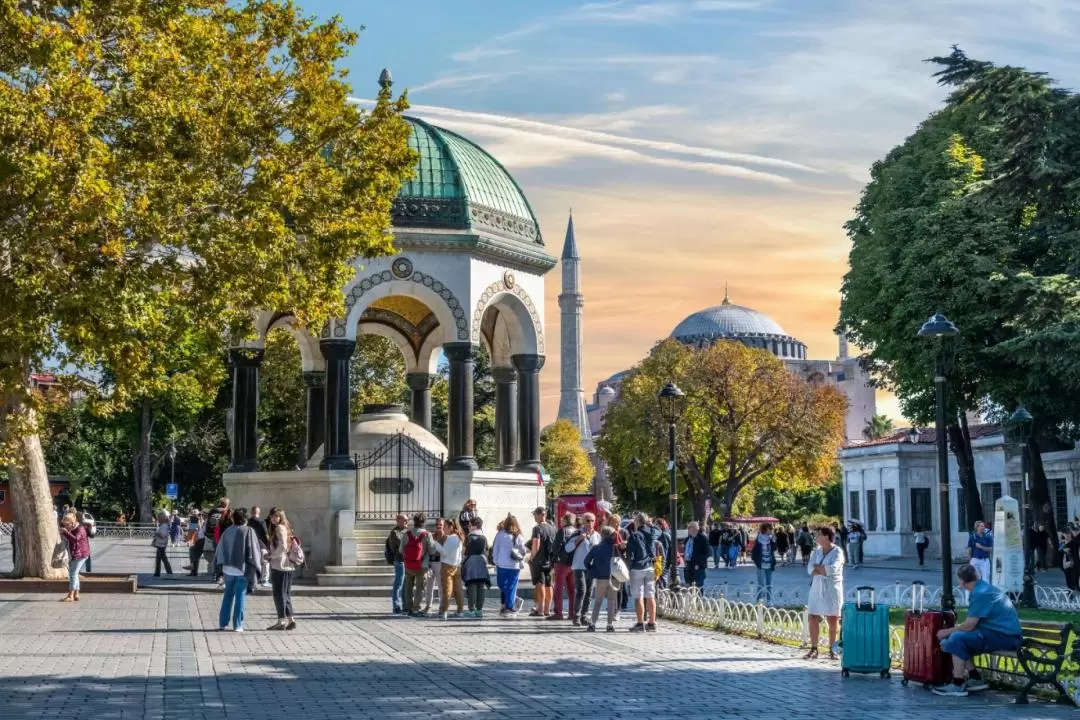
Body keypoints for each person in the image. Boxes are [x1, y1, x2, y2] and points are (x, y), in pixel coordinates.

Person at [932, 563, 1023, 696]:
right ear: (977, 575)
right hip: (999, 634)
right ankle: (976, 679)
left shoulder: (981, 593)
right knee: (953, 640)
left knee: (956, 638)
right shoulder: (982, 588)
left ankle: (957, 685)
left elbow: (969, 625)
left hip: (1006, 637)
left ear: (962, 582)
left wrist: (946, 631)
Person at [214, 507, 262, 632]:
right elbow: (254, 550)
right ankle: (237, 625)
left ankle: (223, 624)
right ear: (245, 518)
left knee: (228, 595)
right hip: (242, 569)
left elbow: (220, 549)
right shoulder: (249, 531)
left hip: (227, 569)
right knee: (240, 596)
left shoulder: (227, 531)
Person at [804, 526, 844, 660]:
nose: (817, 537)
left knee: (833, 618)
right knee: (813, 617)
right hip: (816, 588)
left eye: (819, 534)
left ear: (826, 536)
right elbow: (810, 568)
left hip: (832, 589)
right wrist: (818, 569)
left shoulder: (837, 552)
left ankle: (833, 650)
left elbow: (832, 569)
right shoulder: (817, 552)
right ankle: (814, 648)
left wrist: (819, 569)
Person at [626, 512, 659, 632]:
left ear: (638, 522)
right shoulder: (653, 533)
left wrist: (627, 567)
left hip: (637, 567)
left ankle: (640, 623)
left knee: (638, 596)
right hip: (650, 566)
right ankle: (652, 623)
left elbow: (630, 555)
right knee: (650, 595)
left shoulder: (634, 536)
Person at [567, 512, 600, 626]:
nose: (590, 523)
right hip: (579, 566)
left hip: (591, 567)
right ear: (583, 521)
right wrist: (579, 539)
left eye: (592, 521)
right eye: (588, 520)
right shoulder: (577, 533)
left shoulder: (597, 535)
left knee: (589, 592)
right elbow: (567, 548)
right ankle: (576, 616)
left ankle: (584, 616)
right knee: (581, 590)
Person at [266, 508, 297, 631]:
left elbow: (283, 546)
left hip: (280, 566)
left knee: (279, 594)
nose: (273, 518)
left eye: (276, 516)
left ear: (280, 517)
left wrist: (271, 556)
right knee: (285, 594)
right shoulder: (286, 527)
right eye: (272, 516)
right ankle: (291, 620)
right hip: (288, 566)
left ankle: (281, 621)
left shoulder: (279, 528)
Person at [584, 525, 619, 632]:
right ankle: (609, 625)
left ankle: (592, 624)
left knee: (598, 601)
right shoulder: (615, 548)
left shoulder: (596, 548)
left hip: (601, 578)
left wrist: (593, 569)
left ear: (602, 535)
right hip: (614, 578)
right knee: (611, 601)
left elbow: (586, 562)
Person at [492, 514, 527, 615]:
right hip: (514, 565)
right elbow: (523, 551)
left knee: (502, 585)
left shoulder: (500, 535)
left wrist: (496, 561)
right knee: (510, 586)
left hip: (502, 564)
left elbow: (495, 549)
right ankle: (510, 605)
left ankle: (509, 607)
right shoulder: (519, 536)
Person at [400, 513, 433, 617]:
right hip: (422, 565)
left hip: (409, 565)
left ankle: (407, 608)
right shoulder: (427, 534)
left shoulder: (407, 533)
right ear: (424, 522)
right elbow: (432, 550)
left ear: (414, 521)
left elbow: (401, 550)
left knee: (408, 587)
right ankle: (415, 608)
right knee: (420, 588)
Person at [432, 518, 465, 619]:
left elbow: (444, 553)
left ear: (451, 527)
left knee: (447, 589)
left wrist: (435, 543)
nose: (444, 528)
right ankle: (460, 610)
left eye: (445, 526)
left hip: (447, 566)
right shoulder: (459, 537)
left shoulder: (451, 538)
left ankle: (444, 610)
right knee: (458, 589)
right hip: (457, 565)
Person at [548, 512, 577, 621]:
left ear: (565, 520)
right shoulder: (576, 531)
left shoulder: (562, 531)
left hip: (562, 564)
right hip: (573, 563)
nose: (560, 521)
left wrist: (554, 559)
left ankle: (558, 613)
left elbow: (555, 547)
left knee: (558, 588)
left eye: (562, 519)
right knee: (572, 589)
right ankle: (572, 613)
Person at [529, 507, 556, 617]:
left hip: (539, 561)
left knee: (540, 584)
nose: (534, 517)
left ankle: (540, 610)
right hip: (549, 561)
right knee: (549, 585)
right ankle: (547, 609)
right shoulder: (553, 528)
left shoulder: (537, 528)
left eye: (535, 514)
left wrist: (531, 557)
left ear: (541, 515)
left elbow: (536, 545)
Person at [461, 516, 490, 617]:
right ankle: (479, 609)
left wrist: (462, 561)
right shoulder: (484, 537)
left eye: (470, 525)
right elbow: (487, 550)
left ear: (474, 526)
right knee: (481, 585)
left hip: (471, 562)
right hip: (482, 561)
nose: (468, 527)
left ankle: (471, 610)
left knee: (472, 585)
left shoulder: (469, 537)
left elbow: (464, 551)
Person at [59, 512, 90, 602]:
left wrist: (66, 532)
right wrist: (64, 532)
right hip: (77, 553)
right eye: (65, 525)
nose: (66, 526)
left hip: (81, 554)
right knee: (75, 574)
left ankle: (70, 595)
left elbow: (76, 539)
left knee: (72, 574)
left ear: (72, 523)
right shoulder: (72, 528)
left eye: (67, 525)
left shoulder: (80, 529)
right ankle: (76, 594)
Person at [386, 513, 408, 614]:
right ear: (398, 521)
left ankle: (405, 605)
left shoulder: (407, 531)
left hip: (407, 560)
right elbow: (401, 545)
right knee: (398, 583)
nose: (407, 522)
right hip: (399, 560)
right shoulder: (395, 533)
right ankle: (396, 606)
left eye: (407, 520)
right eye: (404, 520)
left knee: (405, 584)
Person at [422, 517, 445, 614]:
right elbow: (426, 549)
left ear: (444, 526)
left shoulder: (446, 537)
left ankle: (442, 606)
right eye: (436, 525)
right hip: (431, 563)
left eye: (440, 524)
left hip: (440, 563)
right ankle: (428, 605)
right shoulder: (431, 536)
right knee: (429, 586)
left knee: (441, 586)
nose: (438, 526)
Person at [751, 522, 776, 605]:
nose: (771, 530)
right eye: (770, 529)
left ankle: (769, 601)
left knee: (769, 584)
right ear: (766, 529)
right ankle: (759, 601)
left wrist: (774, 540)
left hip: (769, 564)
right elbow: (754, 552)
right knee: (761, 584)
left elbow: (774, 549)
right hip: (761, 564)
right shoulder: (759, 539)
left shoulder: (771, 539)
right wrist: (757, 562)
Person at [247, 505, 271, 588]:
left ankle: (255, 579)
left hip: (251, 545)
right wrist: (269, 545)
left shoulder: (248, 522)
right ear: (259, 512)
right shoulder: (262, 522)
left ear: (251, 512)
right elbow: (266, 534)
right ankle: (264, 580)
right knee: (265, 562)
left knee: (254, 562)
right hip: (261, 545)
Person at [683, 521, 709, 588]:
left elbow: (707, 553)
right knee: (689, 586)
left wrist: (698, 564)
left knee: (698, 586)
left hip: (698, 566)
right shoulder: (687, 539)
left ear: (694, 529)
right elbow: (686, 551)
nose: (688, 529)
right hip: (688, 565)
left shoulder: (702, 538)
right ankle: (691, 598)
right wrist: (684, 559)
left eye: (689, 528)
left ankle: (699, 598)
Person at [152, 511, 173, 576]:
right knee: (158, 559)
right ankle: (157, 573)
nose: (158, 519)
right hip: (160, 544)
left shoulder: (164, 526)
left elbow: (163, 535)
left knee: (164, 559)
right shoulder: (164, 525)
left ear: (161, 518)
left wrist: (156, 533)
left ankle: (169, 572)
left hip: (161, 544)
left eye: (158, 517)